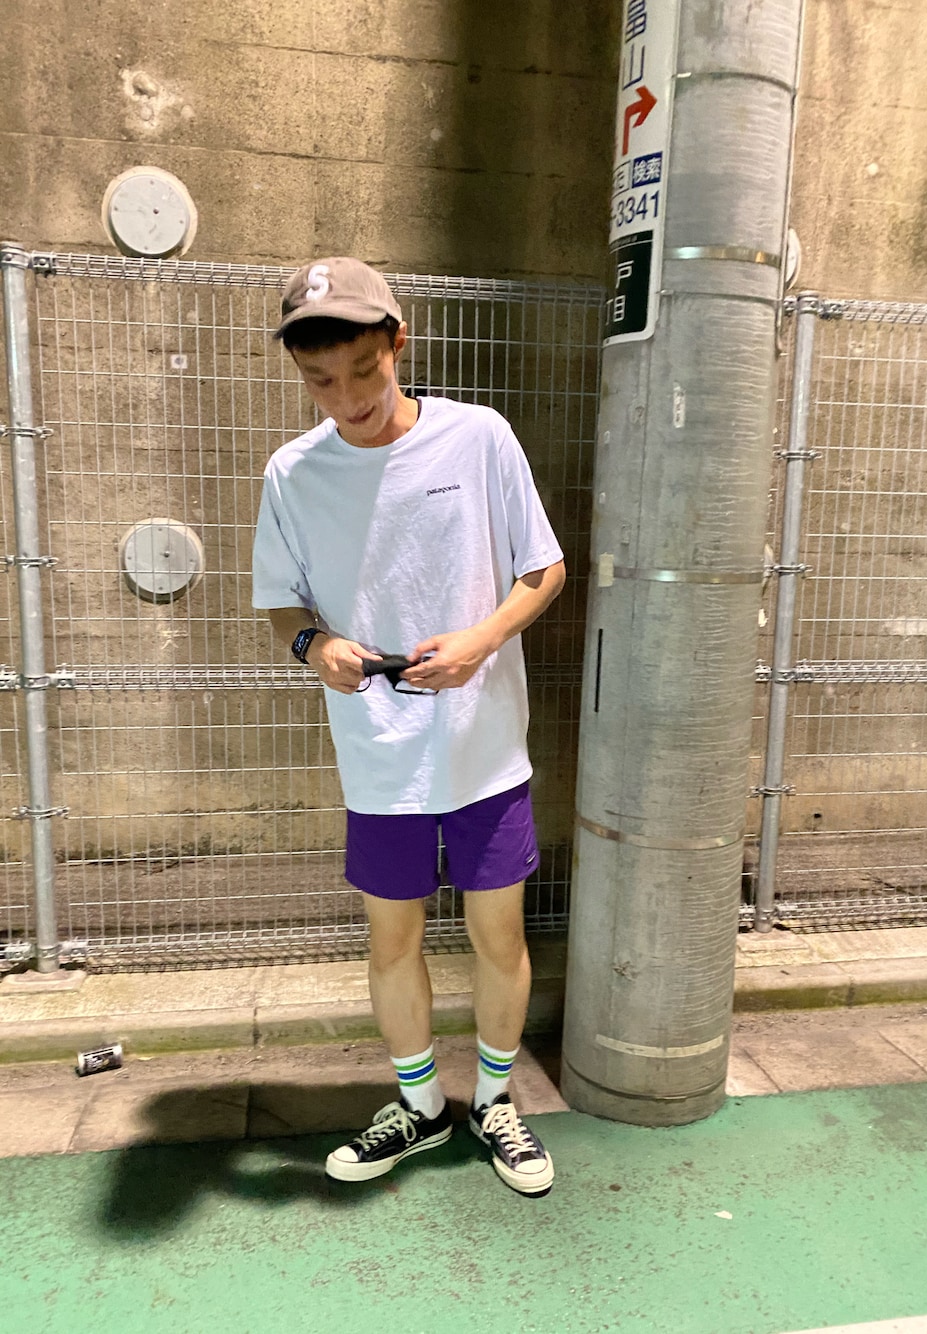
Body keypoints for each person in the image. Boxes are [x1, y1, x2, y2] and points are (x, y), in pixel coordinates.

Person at [252, 257, 565, 1196]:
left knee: (498, 938)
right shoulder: (293, 473)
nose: (346, 398)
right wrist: (314, 645)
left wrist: (480, 641)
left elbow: (544, 568)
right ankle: (422, 1108)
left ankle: (497, 1103)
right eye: (319, 380)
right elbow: (282, 602)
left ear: (399, 342)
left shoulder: (479, 438)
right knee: (391, 943)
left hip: (483, 746)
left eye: (363, 370)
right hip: (378, 755)